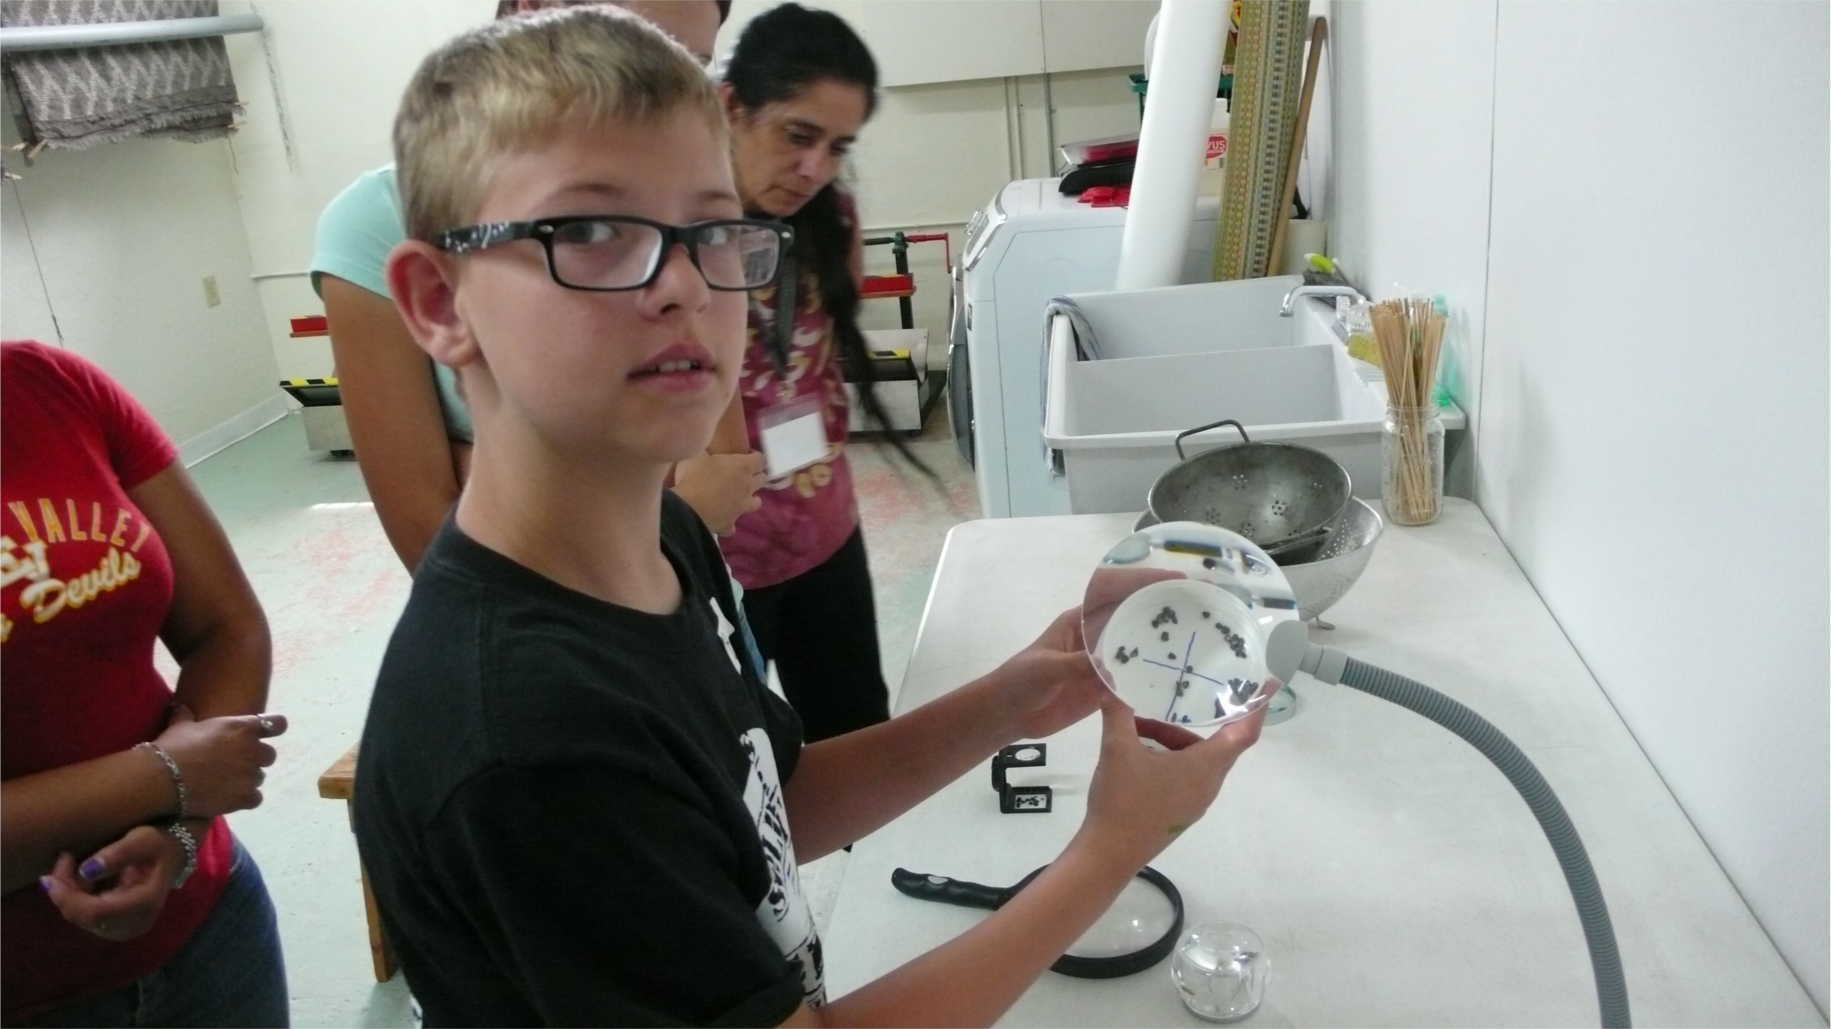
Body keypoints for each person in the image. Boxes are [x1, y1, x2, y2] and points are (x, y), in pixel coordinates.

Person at [352, 8, 1271, 1025]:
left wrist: (1017, 694)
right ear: (439, 301)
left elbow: (768, 806)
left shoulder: (665, 539)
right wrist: (1110, 850)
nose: (685, 286)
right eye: (593, 233)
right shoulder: (530, 738)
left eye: (713, 232)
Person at [310, 0, 761, 576]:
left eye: (689, 64)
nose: (685, 285)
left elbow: (723, 463)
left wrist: (498, 463)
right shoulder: (373, 223)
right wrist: (679, 508)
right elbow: (431, 532)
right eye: (587, 232)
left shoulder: (683, 234)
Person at [1, 342, 290, 1027]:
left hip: (209, 928)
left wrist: (180, 835)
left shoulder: (48, 385)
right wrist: (167, 779)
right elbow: (183, 770)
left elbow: (227, 624)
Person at [712, 4, 906, 741]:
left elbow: (820, 360)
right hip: (721, 548)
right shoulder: (669, 233)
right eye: (797, 136)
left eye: (837, 147)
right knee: (739, 759)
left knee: (858, 738)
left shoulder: (835, 217)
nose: (814, 169)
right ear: (731, 106)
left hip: (825, 525)